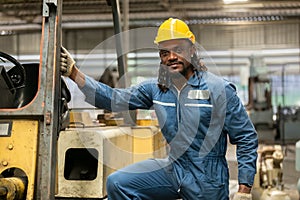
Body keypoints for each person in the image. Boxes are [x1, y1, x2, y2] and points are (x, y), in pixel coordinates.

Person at [60, 18, 258, 200]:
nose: (171, 57)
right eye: (165, 52)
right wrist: (74, 73)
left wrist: (244, 189)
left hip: (208, 178)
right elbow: (114, 99)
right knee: (118, 184)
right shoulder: (157, 90)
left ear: (191, 50)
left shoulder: (219, 90)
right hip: (174, 168)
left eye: (178, 50)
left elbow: (246, 137)